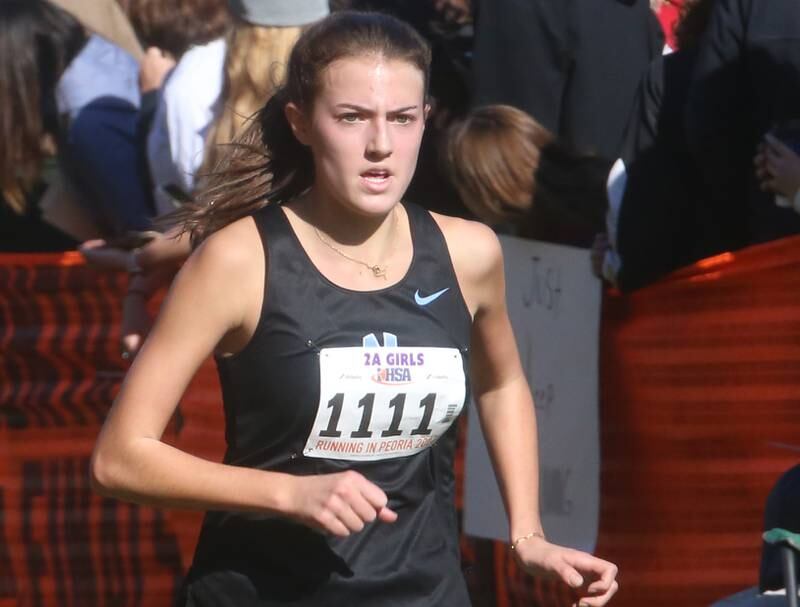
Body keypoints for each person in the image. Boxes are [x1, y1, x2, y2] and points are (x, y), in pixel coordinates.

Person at [90, 12, 619, 606]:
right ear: (301, 123)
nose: (380, 146)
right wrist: (289, 494)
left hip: (427, 592)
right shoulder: (239, 260)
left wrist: (529, 534)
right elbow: (120, 458)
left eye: (401, 118)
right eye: (351, 118)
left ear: (426, 119)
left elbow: (501, 385)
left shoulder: (470, 252)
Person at [444, 104, 611, 247]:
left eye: (461, 183)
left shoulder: (597, 225)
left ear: (487, 187)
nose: (460, 194)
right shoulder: (599, 189)